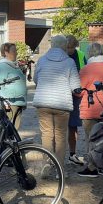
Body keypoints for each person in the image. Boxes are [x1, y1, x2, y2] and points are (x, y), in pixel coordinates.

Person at [33, 34, 81, 171]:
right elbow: (75, 86)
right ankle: (60, 168)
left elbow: (36, 79)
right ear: (64, 46)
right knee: (60, 136)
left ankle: (47, 163)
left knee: (46, 134)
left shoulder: (42, 60)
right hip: (62, 104)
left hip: (43, 102)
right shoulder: (69, 62)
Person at [75, 42, 103, 178]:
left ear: (89, 53)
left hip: (90, 108)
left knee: (91, 138)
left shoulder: (86, 69)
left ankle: (92, 167)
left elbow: (80, 91)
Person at [0, 42, 28, 127]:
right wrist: (5, 103)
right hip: (9, 104)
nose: (16, 53)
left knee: (14, 129)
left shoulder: (13, 65)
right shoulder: (2, 66)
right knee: (7, 129)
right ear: (6, 52)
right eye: (14, 51)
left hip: (18, 102)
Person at [65, 35, 86, 165]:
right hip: (63, 95)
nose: (69, 50)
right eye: (67, 47)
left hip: (77, 95)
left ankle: (72, 154)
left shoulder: (81, 56)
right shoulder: (61, 56)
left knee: (73, 126)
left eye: (71, 47)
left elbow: (86, 72)